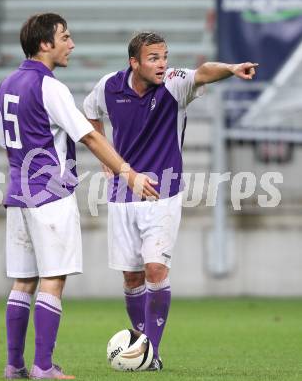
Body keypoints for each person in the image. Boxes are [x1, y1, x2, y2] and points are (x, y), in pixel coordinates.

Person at [83, 31, 258, 371]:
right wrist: (105, 156)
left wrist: (232, 68)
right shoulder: (109, 86)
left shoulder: (175, 84)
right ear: (134, 62)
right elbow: (89, 112)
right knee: (132, 278)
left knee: (155, 269)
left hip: (164, 193)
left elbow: (204, 71)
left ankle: (152, 354)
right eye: (153, 58)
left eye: (164, 56)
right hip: (122, 194)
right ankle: (141, 343)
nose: (162, 64)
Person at [0, 15, 159, 380]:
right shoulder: (49, 87)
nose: (71, 44)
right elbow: (89, 136)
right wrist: (127, 173)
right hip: (50, 193)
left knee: (23, 281)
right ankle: (43, 367)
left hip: (18, 192)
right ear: (45, 44)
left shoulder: (6, 83)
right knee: (53, 279)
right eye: (65, 37)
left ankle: (14, 365)